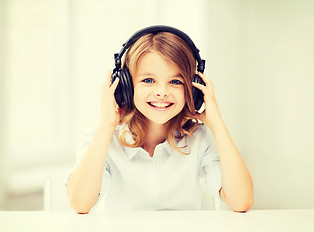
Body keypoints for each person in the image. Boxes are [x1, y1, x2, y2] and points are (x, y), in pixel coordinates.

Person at [66, 26, 254, 213]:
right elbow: (80, 204)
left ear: (194, 88)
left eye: (175, 81)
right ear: (126, 86)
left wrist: (217, 125)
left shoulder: (201, 138)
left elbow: (241, 201)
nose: (162, 92)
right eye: (148, 80)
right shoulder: (103, 140)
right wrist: (107, 125)